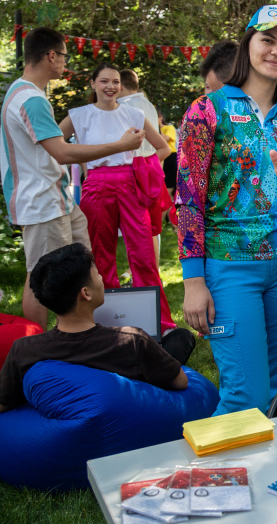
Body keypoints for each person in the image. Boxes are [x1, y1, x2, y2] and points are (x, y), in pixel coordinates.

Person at [177, 4, 277, 415]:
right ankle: (214, 478)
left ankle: (272, 475)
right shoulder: (207, 110)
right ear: (248, 43)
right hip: (229, 266)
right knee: (245, 395)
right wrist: (192, 281)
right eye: (268, 40)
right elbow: (188, 198)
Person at [0, 27, 144, 328]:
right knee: (41, 274)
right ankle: (39, 345)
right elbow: (61, 153)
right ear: (51, 56)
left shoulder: (23, 92)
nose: (65, 62)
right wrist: (120, 146)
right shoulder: (30, 99)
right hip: (41, 201)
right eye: (64, 56)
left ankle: (85, 332)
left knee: (81, 266)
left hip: (58, 199)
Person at [59, 65, 180, 337]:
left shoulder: (133, 113)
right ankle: (105, 324)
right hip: (95, 187)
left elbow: (163, 147)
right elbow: (55, 146)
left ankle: (160, 323)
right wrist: (86, 160)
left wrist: (142, 167)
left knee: (144, 256)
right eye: (104, 81)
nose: (110, 86)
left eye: (115, 81)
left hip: (129, 185)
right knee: (100, 258)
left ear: (121, 86)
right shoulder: (79, 115)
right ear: (93, 83)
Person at [0, 243, 187, 413]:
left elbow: (4, 403)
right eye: (96, 273)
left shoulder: (23, 351)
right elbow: (181, 382)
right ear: (86, 293)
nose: (101, 277)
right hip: (130, 419)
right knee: (181, 337)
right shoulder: (132, 341)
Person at [118, 68, 173, 258]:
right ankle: (151, 270)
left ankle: (143, 272)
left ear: (121, 85)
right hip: (152, 167)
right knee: (150, 225)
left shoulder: (123, 106)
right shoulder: (147, 104)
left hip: (136, 169)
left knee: (137, 225)